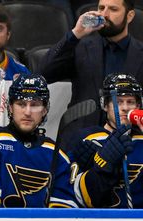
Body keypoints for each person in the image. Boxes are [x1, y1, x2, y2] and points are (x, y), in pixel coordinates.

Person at [38, 0, 143, 147]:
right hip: (80, 141)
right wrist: (75, 34)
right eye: (101, 8)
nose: (104, 14)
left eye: (113, 9)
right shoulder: (80, 46)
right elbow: (43, 73)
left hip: (130, 144)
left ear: (130, 15)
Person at [0, 74, 76, 208]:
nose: (28, 112)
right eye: (21, 104)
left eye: (35, 105)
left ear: (45, 110)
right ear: (10, 107)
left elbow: (63, 211)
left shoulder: (57, 155)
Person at [71, 73, 143, 208]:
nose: (125, 108)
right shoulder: (86, 139)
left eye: (130, 102)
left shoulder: (141, 140)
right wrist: (103, 163)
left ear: (138, 106)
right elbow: (77, 196)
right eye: (118, 101)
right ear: (105, 105)